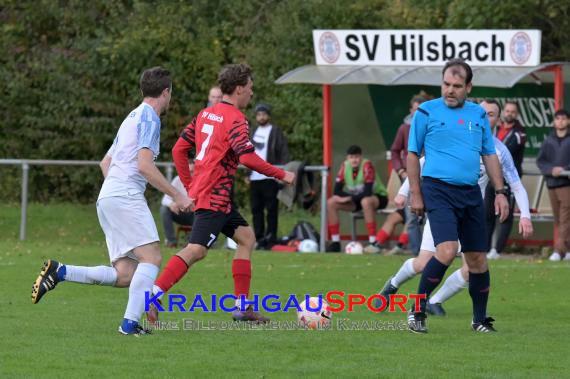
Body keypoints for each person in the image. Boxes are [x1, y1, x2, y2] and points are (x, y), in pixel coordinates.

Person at [31, 67, 192, 336]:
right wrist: (178, 195)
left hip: (108, 196)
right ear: (166, 93)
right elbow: (144, 166)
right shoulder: (150, 119)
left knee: (126, 274)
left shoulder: (131, 117)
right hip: (123, 195)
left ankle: (59, 272)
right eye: (170, 93)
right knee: (151, 257)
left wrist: (117, 189)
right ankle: (129, 325)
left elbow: (105, 162)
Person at [146, 64, 295, 324]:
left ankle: (242, 307)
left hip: (218, 196)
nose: (251, 92)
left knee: (247, 238)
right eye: (250, 88)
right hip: (214, 196)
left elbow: (179, 149)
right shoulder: (236, 119)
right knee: (196, 250)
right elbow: (247, 158)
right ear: (239, 89)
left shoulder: (207, 113)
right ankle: (153, 294)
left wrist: (191, 186)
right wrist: (281, 174)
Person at [378, 99, 533, 316]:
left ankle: (434, 301)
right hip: (444, 207)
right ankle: (392, 285)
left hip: (470, 213)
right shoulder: (457, 139)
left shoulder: (499, 151)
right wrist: (405, 193)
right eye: (482, 113)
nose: (485, 118)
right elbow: (422, 162)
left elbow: (516, 184)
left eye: (490, 114)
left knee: (473, 267)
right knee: (424, 263)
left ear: (497, 119)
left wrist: (525, 215)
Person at [406, 59, 509, 334]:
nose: (450, 90)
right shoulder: (426, 112)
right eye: (446, 84)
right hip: (437, 189)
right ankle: (417, 310)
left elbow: (489, 154)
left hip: (471, 193)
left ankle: (479, 320)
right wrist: (415, 194)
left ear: (468, 87)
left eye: (457, 86)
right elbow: (413, 154)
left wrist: (500, 192)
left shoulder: (477, 115)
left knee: (477, 259)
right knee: (447, 250)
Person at [327, 145, 388, 253]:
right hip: (357, 199)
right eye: (351, 157)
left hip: (379, 197)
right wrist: (345, 199)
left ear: (361, 157)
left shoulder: (367, 165)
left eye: (356, 157)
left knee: (366, 201)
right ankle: (335, 242)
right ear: (347, 158)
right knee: (331, 202)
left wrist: (348, 198)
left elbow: (368, 192)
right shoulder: (344, 166)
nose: (354, 160)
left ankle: (373, 242)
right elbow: (337, 191)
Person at [486, 101, 527, 259]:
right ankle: (484, 247)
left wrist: (525, 216)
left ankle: (496, 249)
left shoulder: (519, 133)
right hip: (490, 178)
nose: (509, 113)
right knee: (487, 214)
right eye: (507, 111)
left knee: (504, 215)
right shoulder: (495, 131)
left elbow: (504, 152)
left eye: (512, 111)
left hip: (506, 180)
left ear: (516, 114)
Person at [249, 103, 290, 249]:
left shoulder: (275, 131)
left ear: (269, 116)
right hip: (254, 177)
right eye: (259, 114)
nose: (261, 117)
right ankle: (259, 239)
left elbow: (283, 152)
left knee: (271, 210)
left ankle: (271, 237)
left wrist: (282, 173)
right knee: (256, 209)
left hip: (270, 176)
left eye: (264, 114)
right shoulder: (252, 131)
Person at [390, 94, 427, 255]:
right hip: (410, 178)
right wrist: (401, 170)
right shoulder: (404, 128)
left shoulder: (432, 126)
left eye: (421, 109)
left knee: (429, 217)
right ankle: (416, 253)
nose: (417, 112)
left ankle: (430, 252)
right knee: (412, 217)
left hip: (429, 176)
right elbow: (395, 151)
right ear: (411, 110)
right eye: (415, 109)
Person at [537, 109, 570, 261]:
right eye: (558, 119)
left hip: (566, 184)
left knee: (565, 218)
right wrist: (551, 169)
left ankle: (558, 251)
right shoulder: (548, 140)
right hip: (551, 184)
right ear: (554, 122)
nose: (561, 121)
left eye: (563, 119)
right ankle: (567, 250)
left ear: (568, 121)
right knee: (559, 219)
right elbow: (540, 161)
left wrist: (564, 169)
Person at [160, 160, 195, 248]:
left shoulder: (201, 180)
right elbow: (165, 199)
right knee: (164, 209)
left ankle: (192, 243)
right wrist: (172, 204)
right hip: (181, 213)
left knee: (201, 211)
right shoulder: (177, 179)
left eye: (193, 172)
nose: (190, 175)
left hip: (197, 215)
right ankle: (171, 242)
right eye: (188, 172)